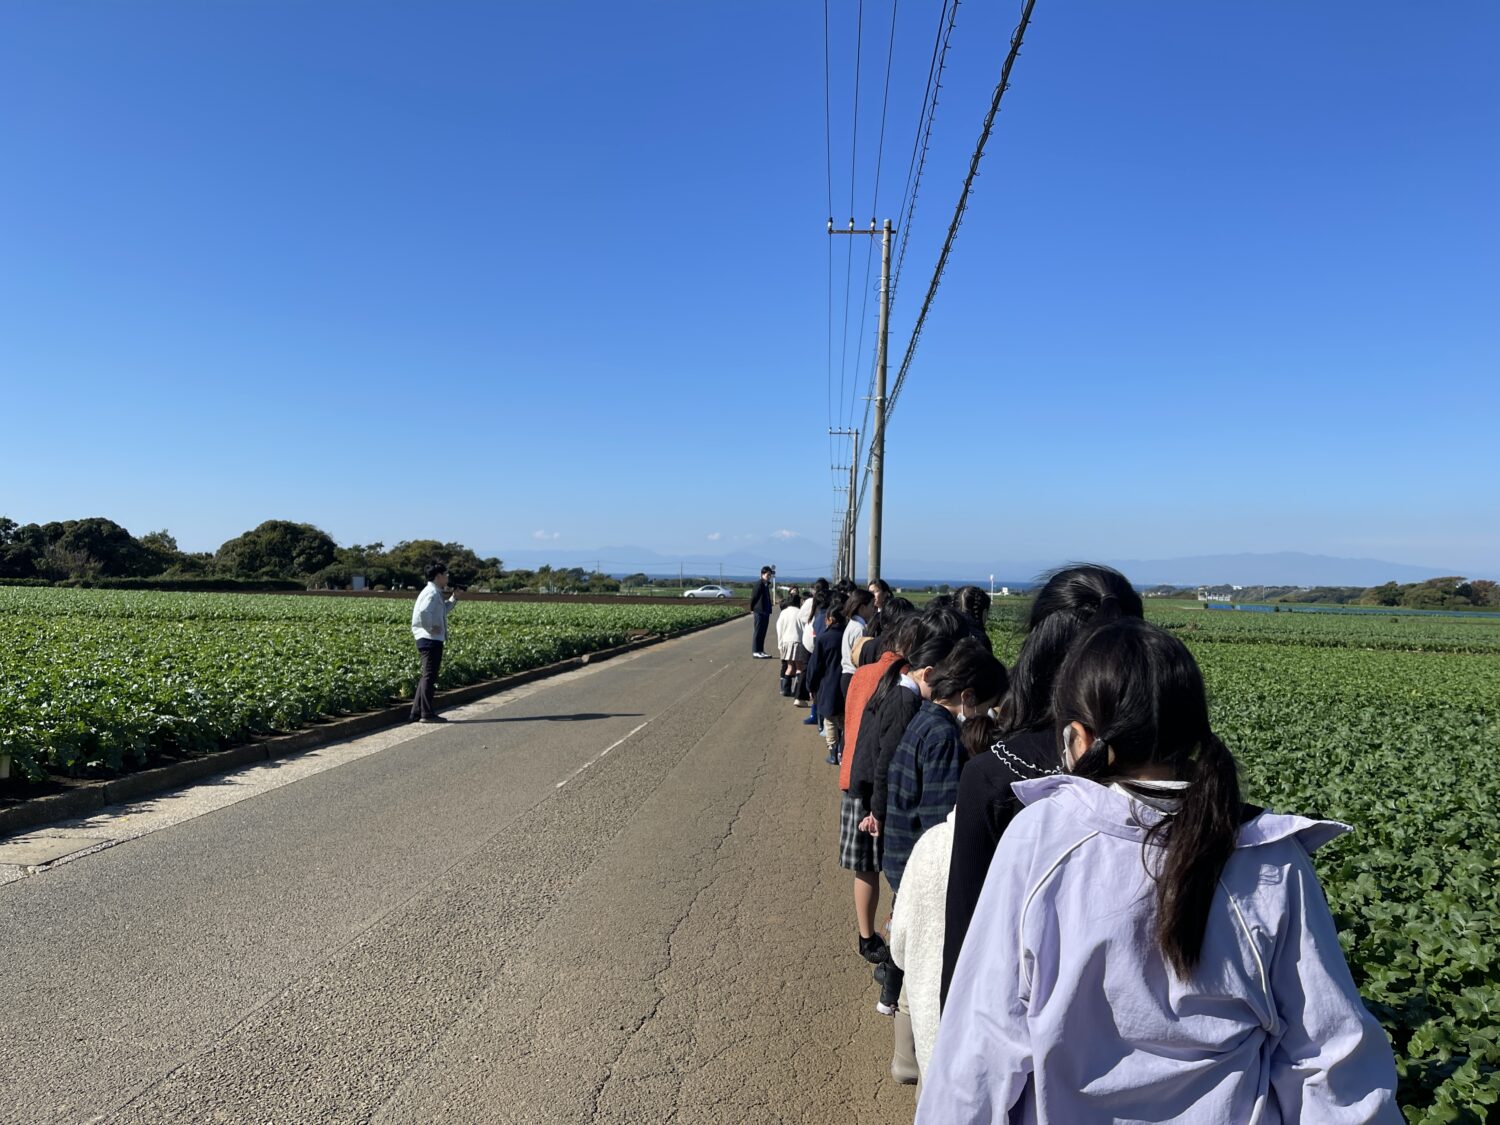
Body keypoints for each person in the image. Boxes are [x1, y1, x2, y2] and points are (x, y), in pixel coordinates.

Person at [919, 619, 1402, 1123]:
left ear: (1077, 738)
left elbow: (984, 1040)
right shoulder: (1271, 859)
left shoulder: (1041, 837)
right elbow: (1330, 1058)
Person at [941, 564, 1143, 1006]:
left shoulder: (995, 777)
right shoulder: (1182, 781)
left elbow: (965, 960)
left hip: (1030, 1041)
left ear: (1038, 649)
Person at [835, 604, 914, 970]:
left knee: (864, 866)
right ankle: (897, 933)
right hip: (883, 779)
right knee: (900, 866)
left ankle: (866, 937)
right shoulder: (902, 678)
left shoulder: (861, 674)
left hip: (853, 775)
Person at [409, 561, 459, 723]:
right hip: (429, 639)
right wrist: (430, 628)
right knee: (429, 677)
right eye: (446, 574)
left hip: (428, 639)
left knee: (427, 676)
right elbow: (424, 612)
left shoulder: (433, 591)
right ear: (438, 576)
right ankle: (426, 714)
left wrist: (454, 599)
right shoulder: (431, 593)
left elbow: (441, 611)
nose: (447, 577)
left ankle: (416, 712)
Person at [805, 600, 848, 766]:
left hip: (827, 684)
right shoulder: (849, 634)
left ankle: (833, 752)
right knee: (844, 721)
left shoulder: (824, 638)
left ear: (830, 618)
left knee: (829, 720)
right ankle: (844, 750)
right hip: (846, 683)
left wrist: (811, 685)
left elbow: (814, 666)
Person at [774, 593, 804, 697]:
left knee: (790, 667)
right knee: (799, 668)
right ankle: (797, 691)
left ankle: (785, 690)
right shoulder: (800, 612)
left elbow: (779, 629)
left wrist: (780, 644)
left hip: (786, 642)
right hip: (798, 642)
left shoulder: (783, 613)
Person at [749, 565, 775, 658]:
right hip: (759, 611)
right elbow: (754, 597)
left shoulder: (766, 584)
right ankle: (756, 651)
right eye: (768, 575)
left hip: (766, 611)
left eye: (770, 575)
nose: (769, 577)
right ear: (762, 574)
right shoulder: (759, 584)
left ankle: (761, 650)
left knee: (763, 632)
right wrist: (752, 608)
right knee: (758, 631)